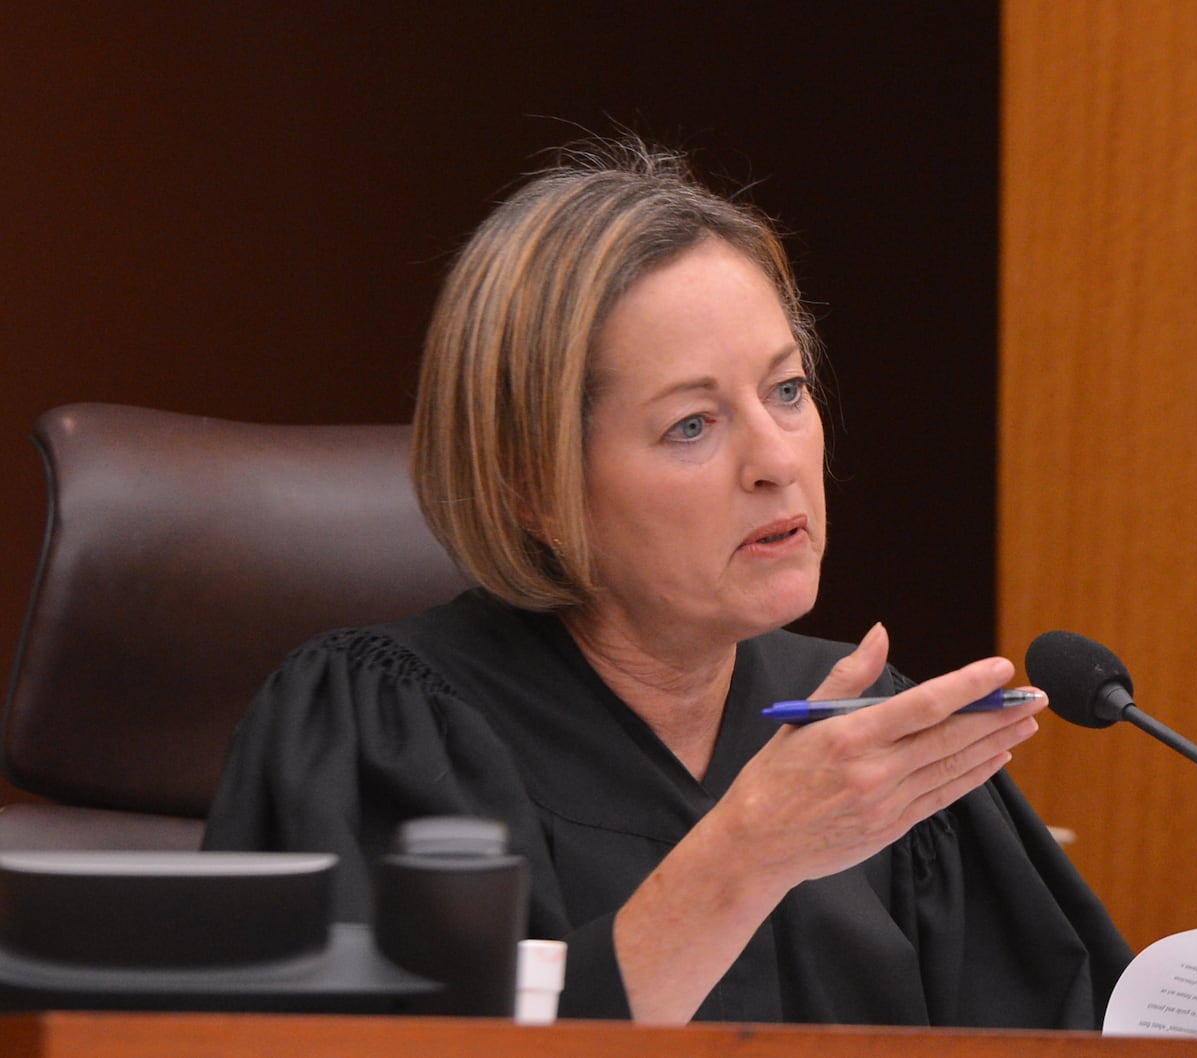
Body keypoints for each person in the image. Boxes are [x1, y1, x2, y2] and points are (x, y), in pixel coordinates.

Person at [203, 140, 1131, 1027]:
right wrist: (747, 856)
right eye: (692, 424)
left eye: (787, 391)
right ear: (533, 488)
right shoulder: (381, 736)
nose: (776, 461)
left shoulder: (867, 741)